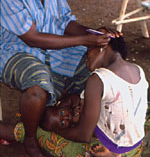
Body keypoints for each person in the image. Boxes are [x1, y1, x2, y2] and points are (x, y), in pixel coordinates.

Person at [0, 0, 115, 156]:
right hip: (16, 52)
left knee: (99, 57)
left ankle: (69, 101)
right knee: (37, 87)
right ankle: (31, 140)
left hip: (53, 52)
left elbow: (64, 21)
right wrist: (83, 40)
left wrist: (94, 33)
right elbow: (32, 38)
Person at [0, 36, 149, 157]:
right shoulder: (138, 70)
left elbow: (83, 136)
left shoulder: (98, 79)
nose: (86, 59)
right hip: (136, 146)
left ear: (102, 47)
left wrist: (52, 130)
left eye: (88, 51)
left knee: (34, 130)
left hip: (110, 147)